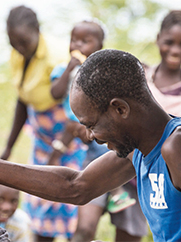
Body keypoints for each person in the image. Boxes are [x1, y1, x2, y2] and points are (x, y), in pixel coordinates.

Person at [0, 49, 181, 242]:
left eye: (92, 124)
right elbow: (76, 186)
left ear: (120, 109)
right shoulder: (138, 150)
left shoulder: (175, 147)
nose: (90, 136)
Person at [49, 20, 146, 242]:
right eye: (74, 40)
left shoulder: (108, 75)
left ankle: (117, 191)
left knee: (129, 232)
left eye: (85, 41)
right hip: (81, 137)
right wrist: (71, 69)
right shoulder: (64, 70)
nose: (78, 45)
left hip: (107, 141)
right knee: (83, 228)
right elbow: (55, 93)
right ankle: (115, 192)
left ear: (100, 47)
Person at [1, 5, 86, 241]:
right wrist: (9, 146)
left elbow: (75, 110)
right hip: (42, 138)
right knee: (39, 201)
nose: (19, 47)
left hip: (67, 139)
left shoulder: (58, 57)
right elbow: (23, 99)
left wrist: (59, 149)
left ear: (38, 31)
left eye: (23, 42)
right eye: (13, 42)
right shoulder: (19, 54)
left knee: (68, 197)